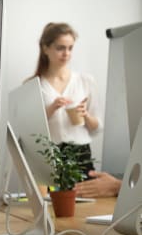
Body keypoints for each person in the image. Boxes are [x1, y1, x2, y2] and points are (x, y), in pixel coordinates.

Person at [29, 22, 102, 180]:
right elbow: (28, 131)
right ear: (45, 48)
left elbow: (97, 128)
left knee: (89, 204)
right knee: (54, 204)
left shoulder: (86, 81)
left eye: (70, 48)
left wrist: (86, 115)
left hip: (82, 155)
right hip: (51, 156)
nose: (66, 54)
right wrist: (51, 108)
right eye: (60, 48)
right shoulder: (33, 86)